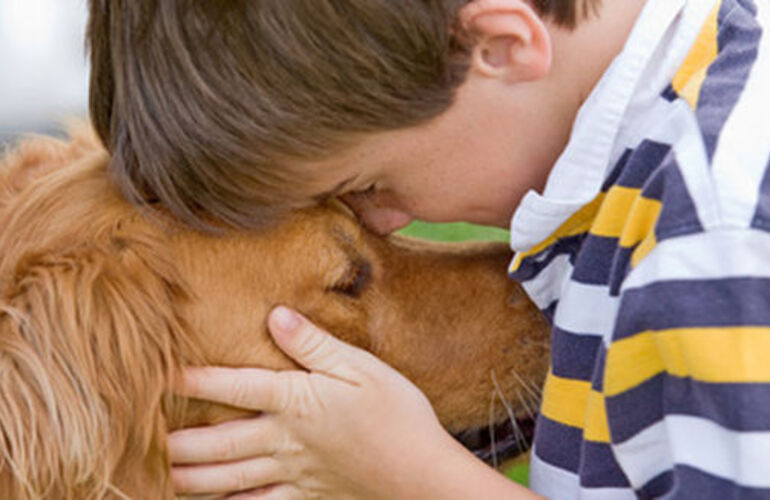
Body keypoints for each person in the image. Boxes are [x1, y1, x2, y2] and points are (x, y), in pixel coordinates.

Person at [85, 0, 770, 498]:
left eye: (368, 185)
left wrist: (413, 476)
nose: (384, 219)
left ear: (499, 47)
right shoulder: (658, 172)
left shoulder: (713, 233)